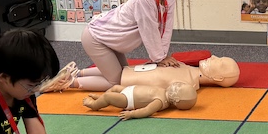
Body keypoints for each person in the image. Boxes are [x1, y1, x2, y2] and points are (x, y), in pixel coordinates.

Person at [55, 0, 189, 92]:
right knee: (118, 82)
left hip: (112, 39)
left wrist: (163, 56)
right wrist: (159, 58)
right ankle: (68, 83)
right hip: (97, 38)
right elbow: (149, 31)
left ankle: (77, 73)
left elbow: (166, 29)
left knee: (126, 73)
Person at [68, 55, 240, 92]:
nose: (215, 58)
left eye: (221, 63)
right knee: (120, 72)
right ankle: (79, 73)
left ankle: (71, 82)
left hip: (139, 82)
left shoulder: (189, 85)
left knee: (116, 80)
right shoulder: (188, 69)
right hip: (141, 71)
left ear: (218, 78)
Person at [82, 81, 197, 119]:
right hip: (129, 90)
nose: (176, 84)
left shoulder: (160, 101)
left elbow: (147, 110)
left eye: (178, 87)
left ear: (176, 99)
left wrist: (132, 114)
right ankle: (100, 99)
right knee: (115, 88)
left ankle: (94, 105)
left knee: (109, 97)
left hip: (128, 99)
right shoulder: (164, 92)